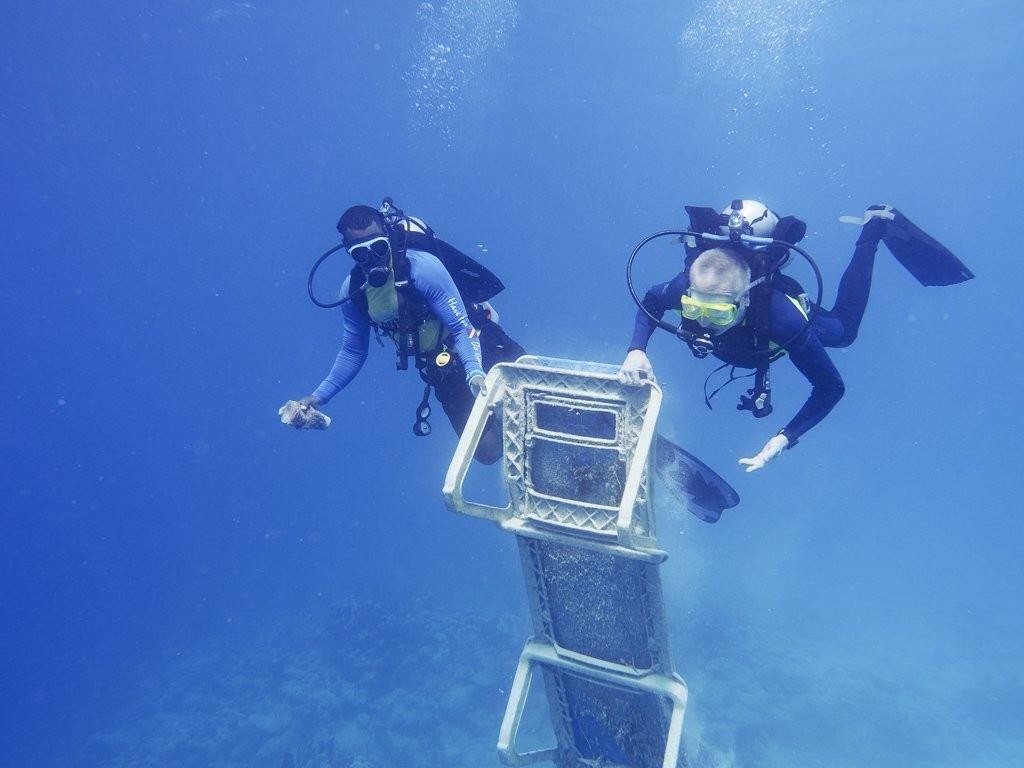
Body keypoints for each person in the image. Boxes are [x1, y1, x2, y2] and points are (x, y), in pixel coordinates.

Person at [619, 199, 970, 473]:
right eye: (694, 309)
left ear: (741, 300)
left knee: (843, 333)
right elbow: (650, 299)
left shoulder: (782, 319)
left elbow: (831, 387)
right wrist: (637, 350)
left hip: (774, 323)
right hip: (748, 337)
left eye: (717, 314)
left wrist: (786, 437)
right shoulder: (682, 287)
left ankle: (872, 232)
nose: (704, 324)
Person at [284, 202, 525, 464]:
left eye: (378, 248)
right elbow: (353, 351)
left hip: (481, 342)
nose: (372, 259)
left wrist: (475, 372)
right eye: (360, 254)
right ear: (348, 252)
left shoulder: (422, 268)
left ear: (387, 238)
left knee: (541, 399)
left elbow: (460, 327)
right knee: (487, 452)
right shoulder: (354, 292)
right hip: (441, 368)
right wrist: (319, 396)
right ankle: (523, 438)